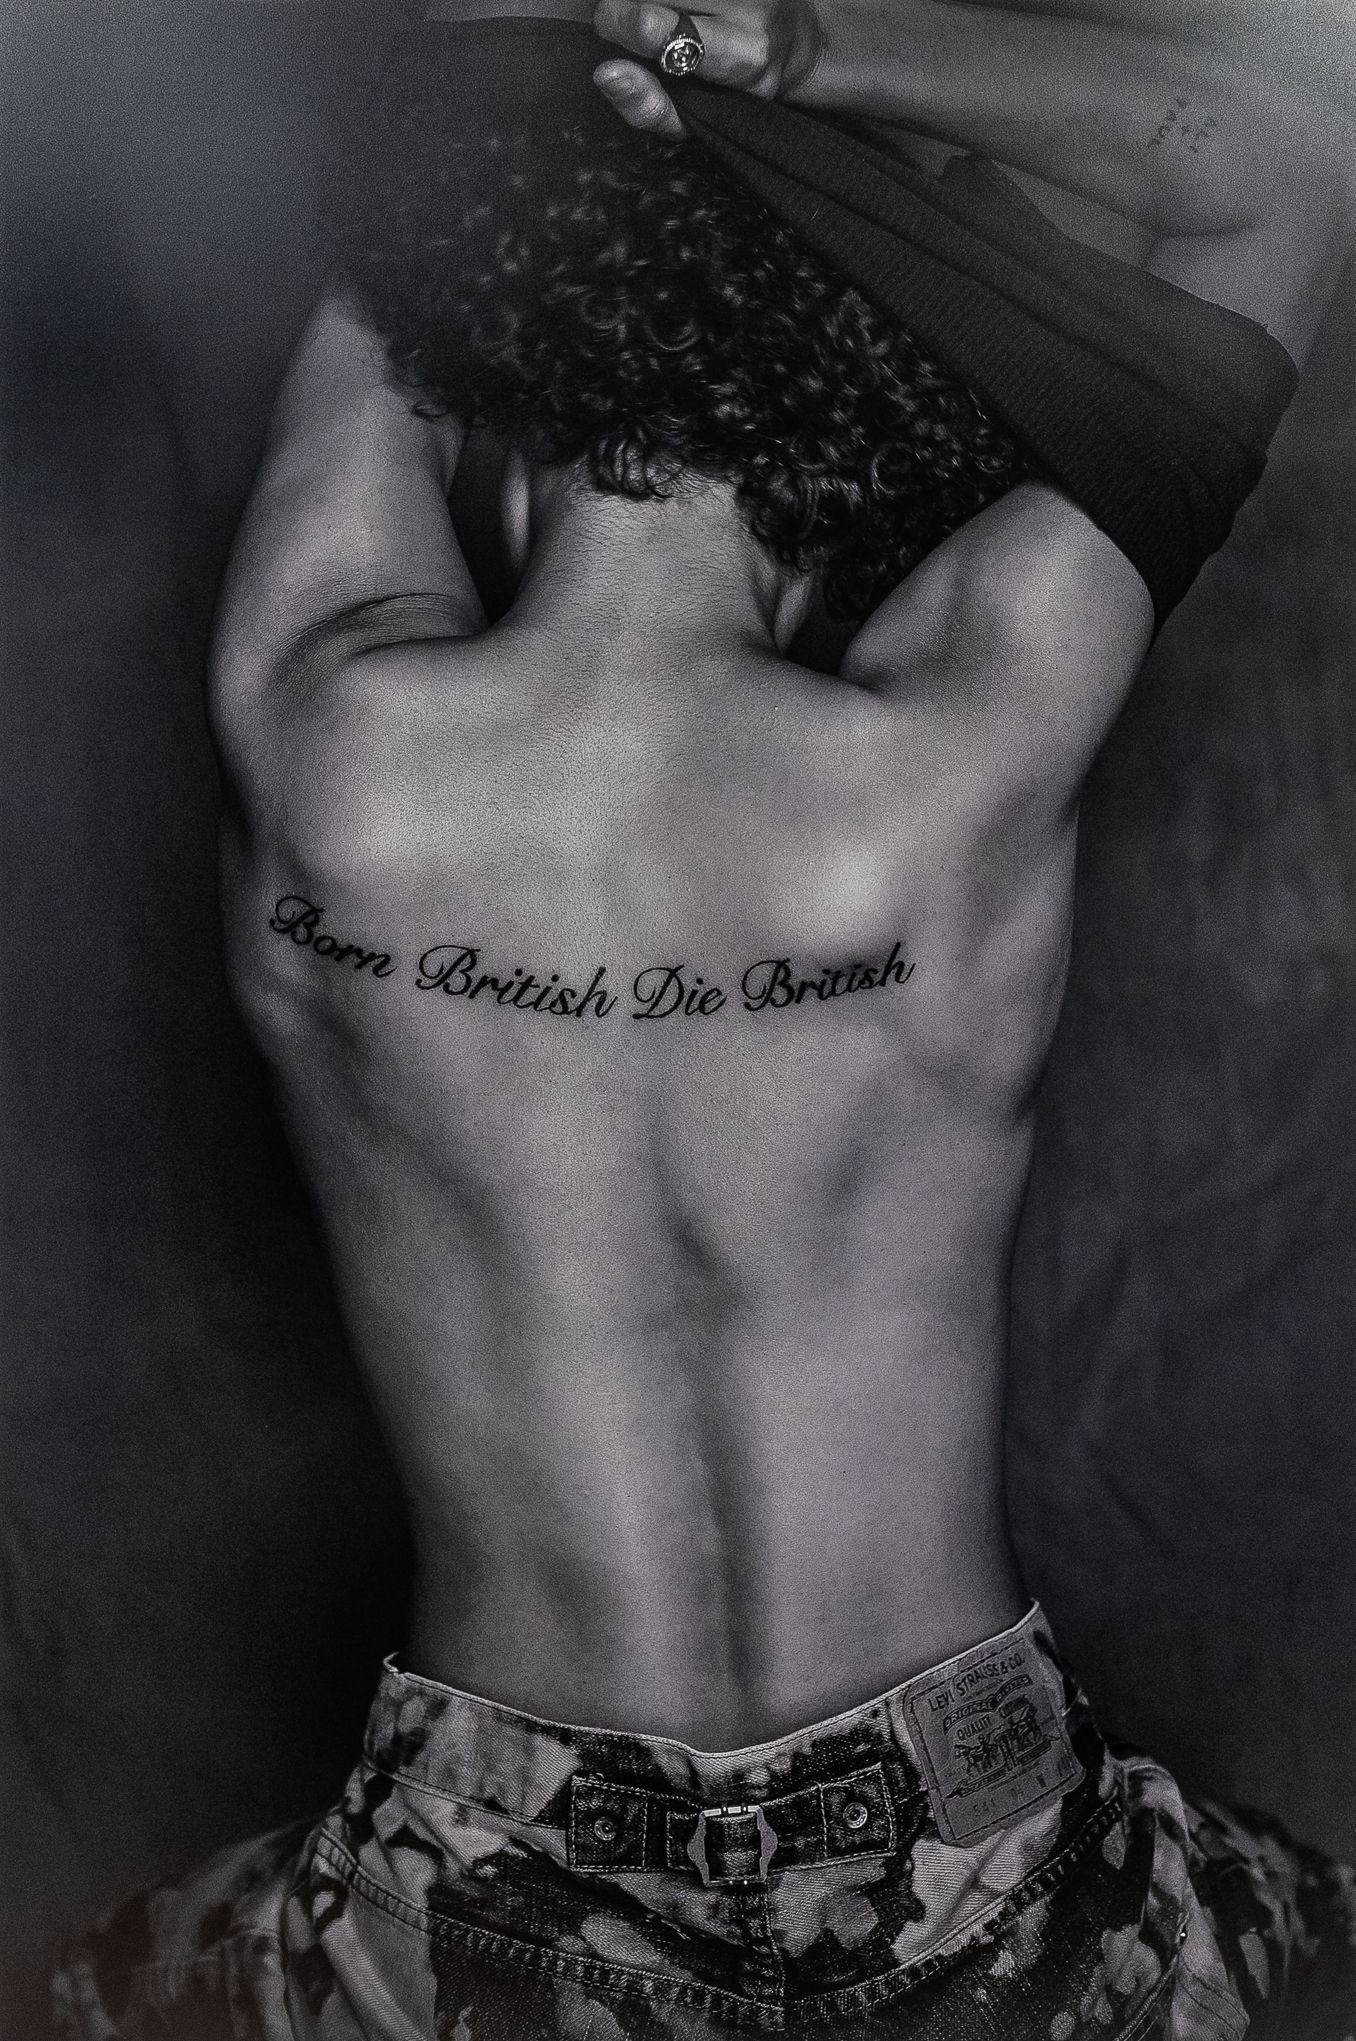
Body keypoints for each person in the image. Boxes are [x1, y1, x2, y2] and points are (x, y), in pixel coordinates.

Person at [51, 2, 1356, 2036]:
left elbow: (406, 225)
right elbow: (1284, 163)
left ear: (491, 346)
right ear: (882, 386)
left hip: (473, 1908)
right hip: (993, 1876)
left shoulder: (325, 738)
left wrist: (543, 129)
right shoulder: (958, 746)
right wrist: (791, 51)